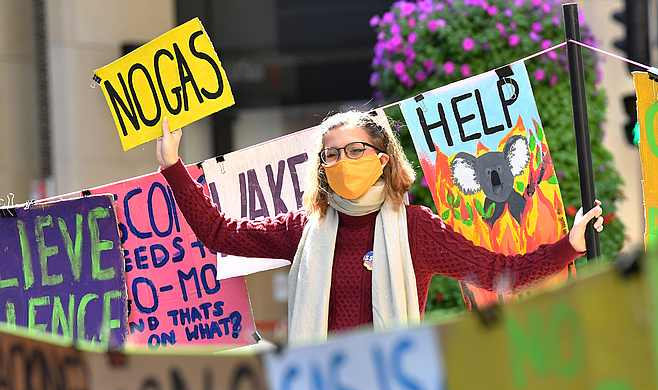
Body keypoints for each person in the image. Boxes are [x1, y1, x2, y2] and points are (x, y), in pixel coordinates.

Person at [155, 111, 604, 343]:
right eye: (331, 155)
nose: (342, 162)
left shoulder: (414, 229)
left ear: (382, 160)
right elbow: (220, 235)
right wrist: (173, 166)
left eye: (354, 151)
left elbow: (497, 272)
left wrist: (570, 246)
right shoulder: (305, 227)